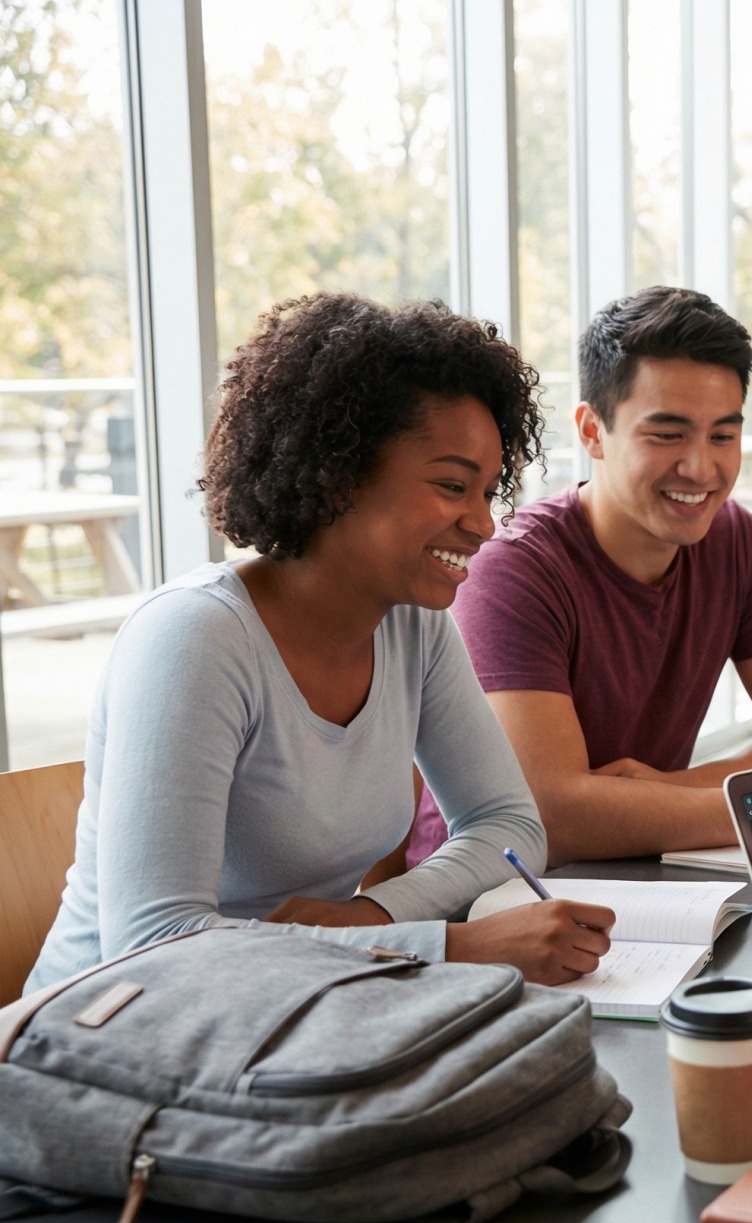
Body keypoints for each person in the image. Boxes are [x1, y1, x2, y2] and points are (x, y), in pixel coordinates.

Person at [26, 295, 611, 994]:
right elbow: (156, 947)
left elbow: (508, 825)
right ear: (338, 474)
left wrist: (369, 916)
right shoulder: (194, 639)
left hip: (296, 1008)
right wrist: (449, 945)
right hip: (109, 1041)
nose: (484, 525)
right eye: (454, 485)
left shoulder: (412, 626)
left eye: (489, 491)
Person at [406, 287, 752, 864]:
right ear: (592, 431)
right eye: (667, 435)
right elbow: (551, 816)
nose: (701, 467)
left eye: (723, 435)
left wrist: (669, 788)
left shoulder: (733, 539)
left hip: (640, 870)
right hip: (494, 894)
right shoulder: (516, 568)